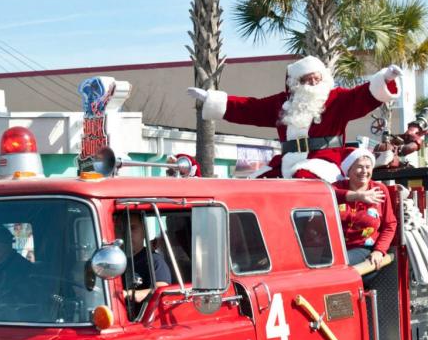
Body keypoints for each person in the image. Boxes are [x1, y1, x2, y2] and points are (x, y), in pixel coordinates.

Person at [188, 56, 401, 181]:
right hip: (287, 161)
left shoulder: (337, 99)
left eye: (316, 79)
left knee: (304, 178)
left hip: (324, 161)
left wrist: (385, 79)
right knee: (257, 183)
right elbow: (250, 108)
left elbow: (362, 96)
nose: (312, 84)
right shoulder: (282, 103)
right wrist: (212, 99)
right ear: (296, 82)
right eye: (306, 80)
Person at [333, 149, 397, 275]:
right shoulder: (336, 187)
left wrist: (379, 250)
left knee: (338, 266)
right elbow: (325, 193)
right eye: (359, 167)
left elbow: (390, 224)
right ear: (348, 170)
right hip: (334, 249)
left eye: (368, 167)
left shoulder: (380, 190)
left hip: (364, 249)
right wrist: (357, 195)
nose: (364, 171)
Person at [122, 212, 172, 306]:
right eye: (122, 229)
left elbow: (162, 289)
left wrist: (132, 294)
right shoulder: (108, 261)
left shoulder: (154, 260)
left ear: (144, 232)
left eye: (133, 228)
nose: (127, 233)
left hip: (138, 318)